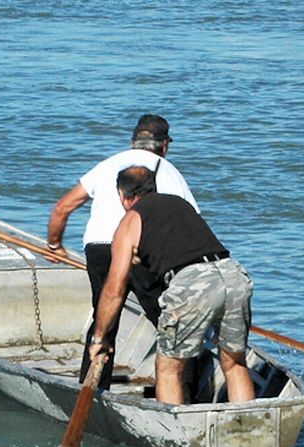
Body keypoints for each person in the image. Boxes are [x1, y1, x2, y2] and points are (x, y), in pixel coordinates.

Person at [46, 114, 197, 388]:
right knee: (169, 324)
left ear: (133, 142)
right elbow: (191, 222)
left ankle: (91, 387)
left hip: (100, 249)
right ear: (164, 146)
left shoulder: (108, 165)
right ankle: (185, 391)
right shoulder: (168, 171)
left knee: (103, 321)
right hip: (141, 250)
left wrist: (55, 246)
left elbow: (62, 209)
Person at [87, 166, 255, 405]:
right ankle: (246, 430)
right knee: (234, 362)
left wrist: (100, 338)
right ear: (153, 187)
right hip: (233, 274)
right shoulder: (180, 204)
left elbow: (114, 290)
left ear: (122, 196)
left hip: (193, 284)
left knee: (168, 369)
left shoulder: (129, 221)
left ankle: (174, 436)